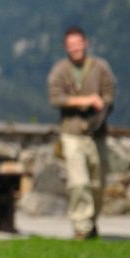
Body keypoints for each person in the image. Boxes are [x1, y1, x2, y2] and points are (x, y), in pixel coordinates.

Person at [47, 25, 116, 240]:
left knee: (97, 183)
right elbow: (55, 98)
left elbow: (109, 95)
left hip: (97, 133)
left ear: (85, 43)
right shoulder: (60, 70)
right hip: (71, 133)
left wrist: (100, 106)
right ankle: (81, 226)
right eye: (71, 45)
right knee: (79, 182)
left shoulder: (100, 67)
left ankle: (91, 221)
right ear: (66, 47)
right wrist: (85, 101)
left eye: (78, 43)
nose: (75, 48)